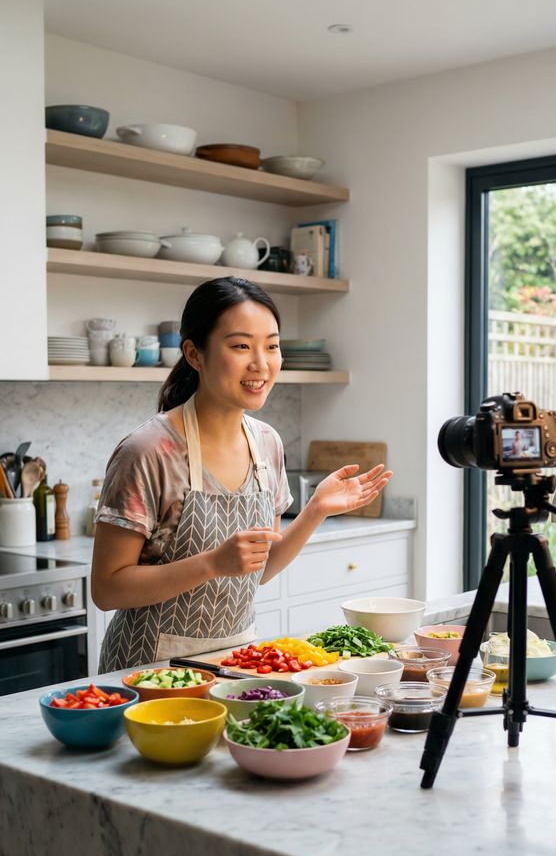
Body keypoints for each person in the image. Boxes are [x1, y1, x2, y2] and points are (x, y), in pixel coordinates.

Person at [92, 276, 392, 672]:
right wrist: (211, 564)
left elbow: (259, 568)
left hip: (235, 665)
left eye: (271, 345)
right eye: (240, 346)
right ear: (194, 354)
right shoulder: (149, 451)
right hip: (147, 673)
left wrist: (316, 509)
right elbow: (107, 588)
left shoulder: (266, 444)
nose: (261, 364)